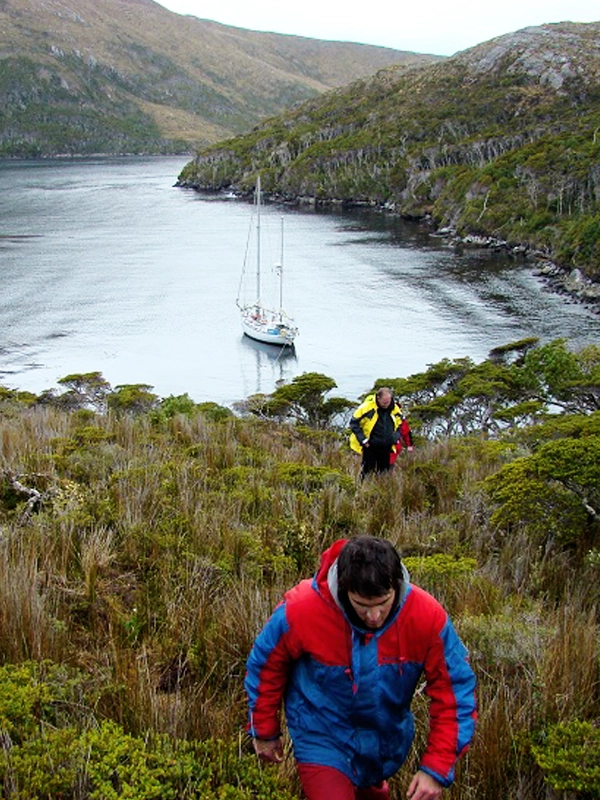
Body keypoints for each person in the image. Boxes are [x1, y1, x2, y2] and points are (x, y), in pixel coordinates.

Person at [245, 536, 477, 800]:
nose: (374, 616)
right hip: (320, 734)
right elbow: (265, 665)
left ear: (397, 585)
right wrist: (263, 730)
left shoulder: (426, 616)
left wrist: (437, 767)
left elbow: (455, 690)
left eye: (383, 603)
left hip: (383, 741)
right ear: (344, 590)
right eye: (362, 606)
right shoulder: (302, 609)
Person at [349, 388, 413, 478]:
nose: (387, 404)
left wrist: (395, 437)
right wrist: (363, 440)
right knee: (367, 472)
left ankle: (382, 486)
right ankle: (365, 486)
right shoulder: (366, 407)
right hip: (370, 446)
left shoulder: (394, 408)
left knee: (384, 474)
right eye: (384, 402)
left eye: (388, 401)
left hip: (387, 446)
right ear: (378, 398)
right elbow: (354, 423)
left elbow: (401, 424)